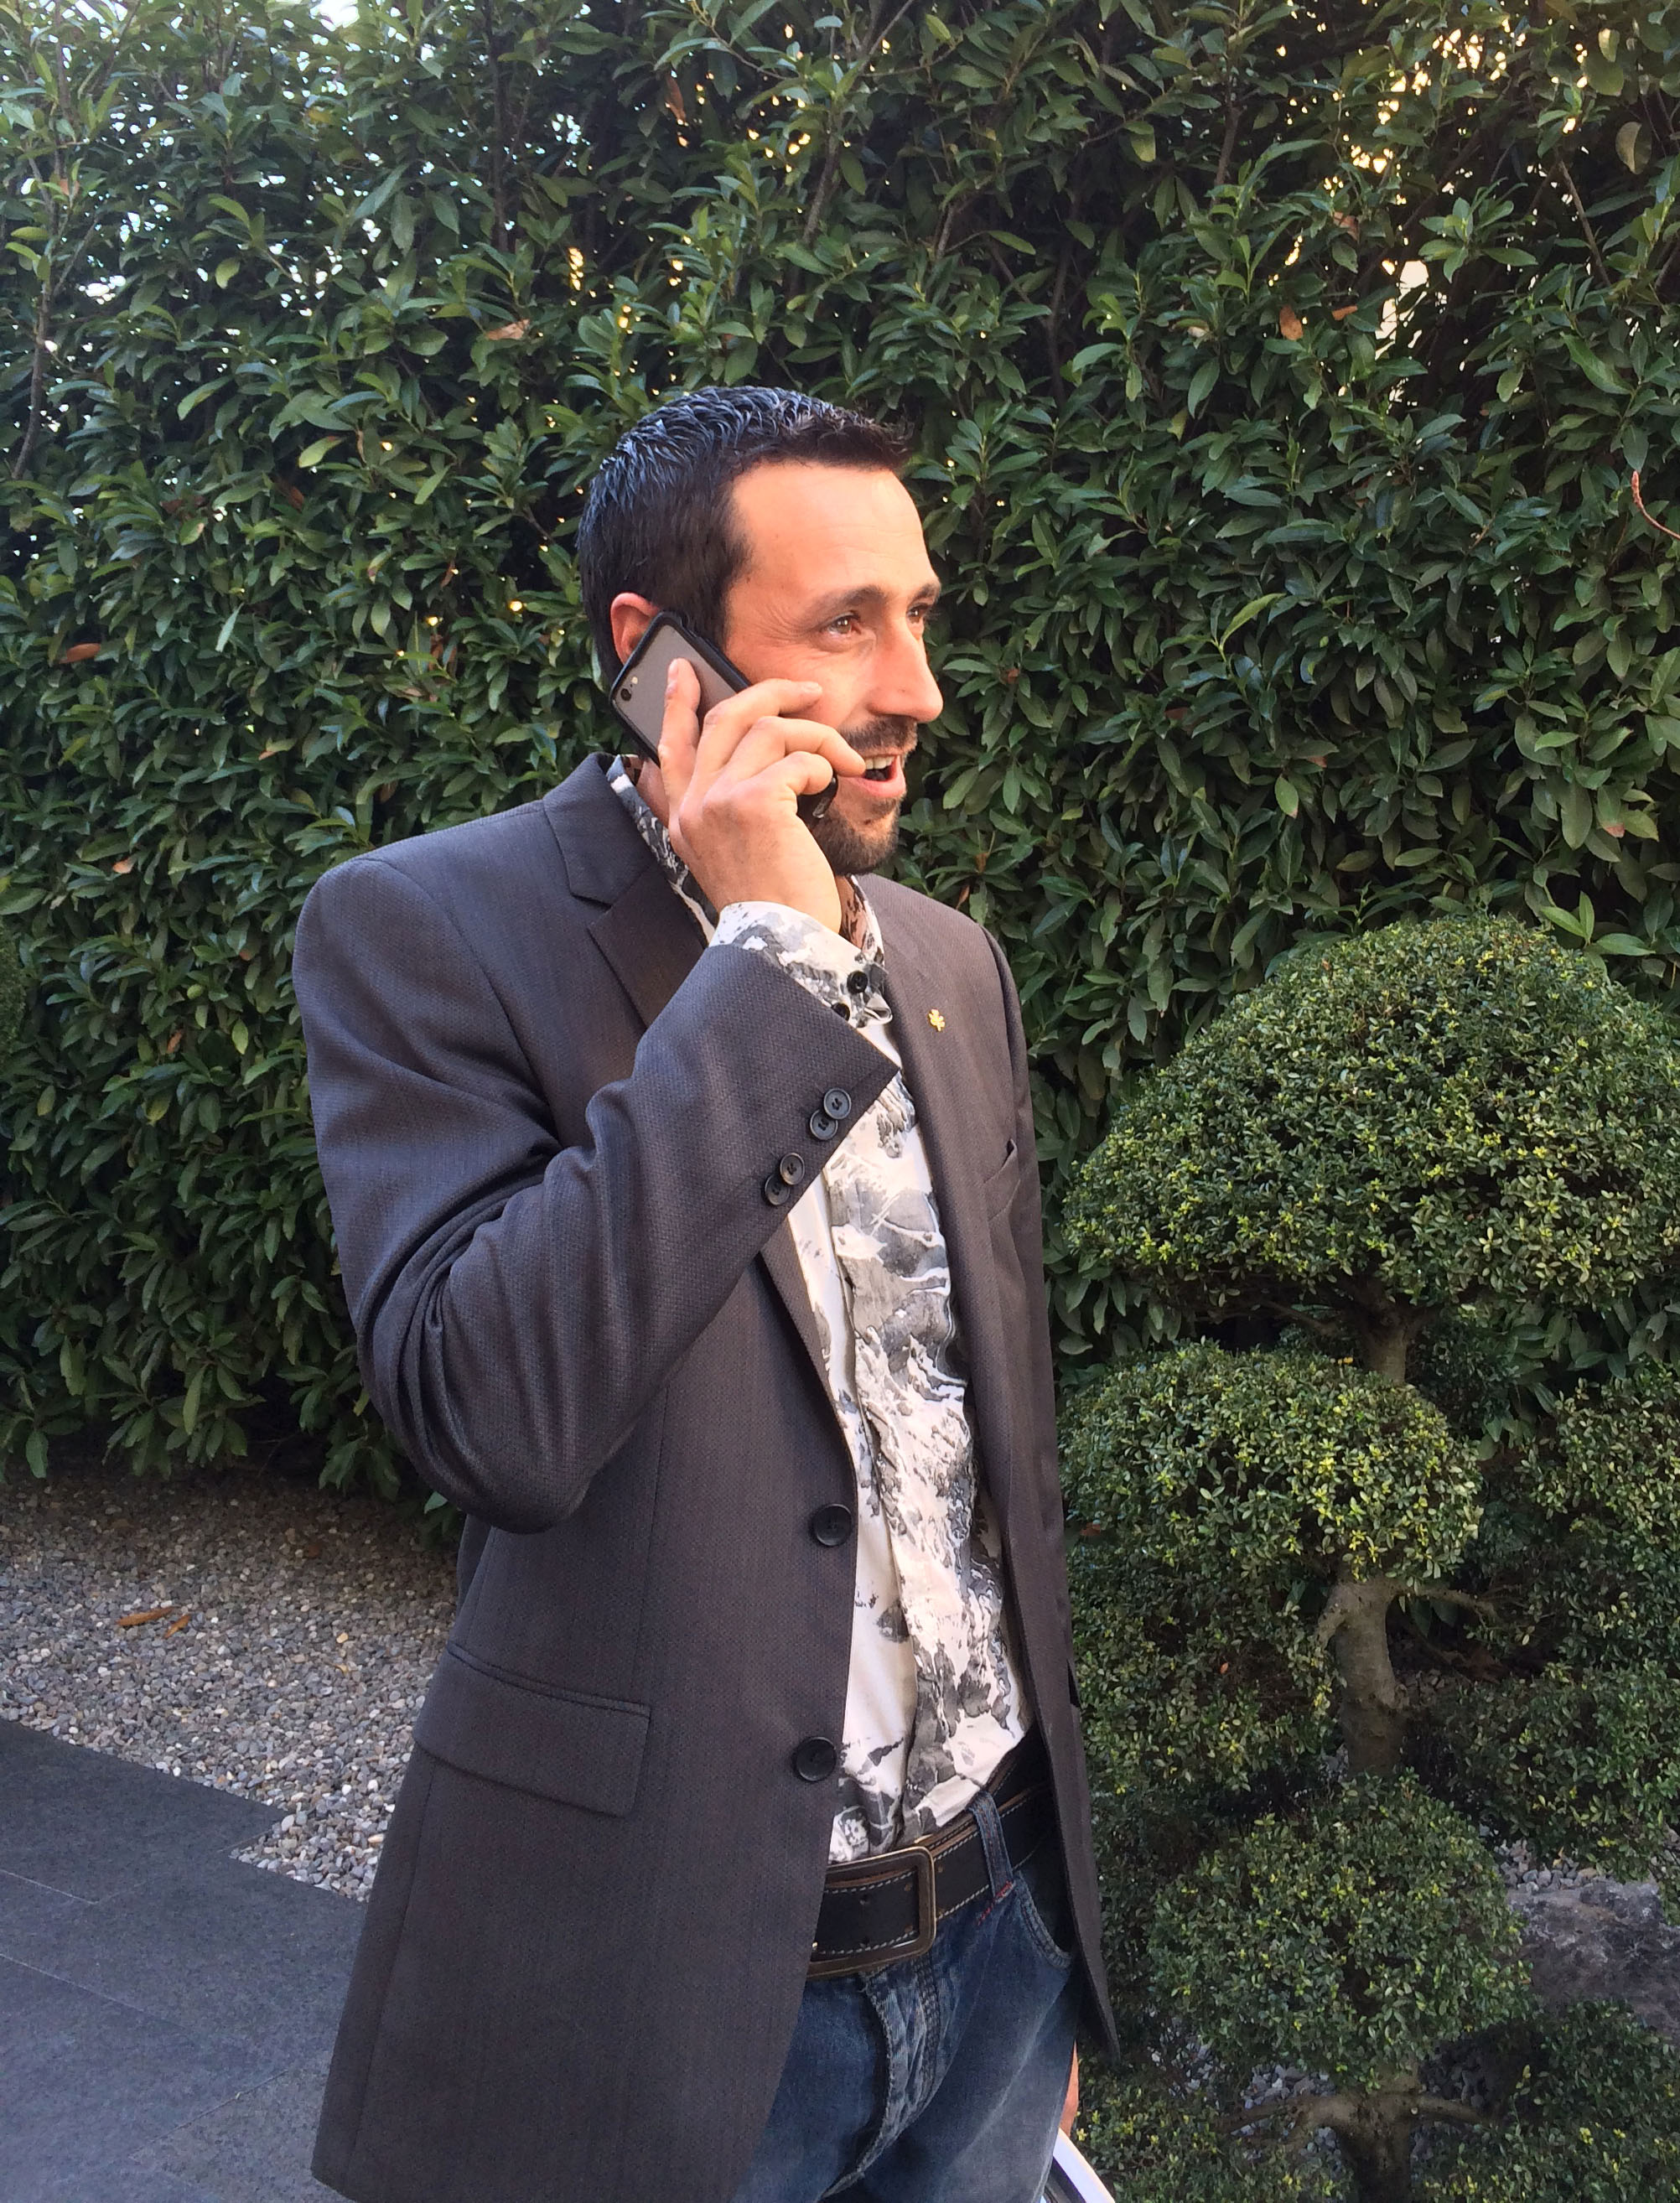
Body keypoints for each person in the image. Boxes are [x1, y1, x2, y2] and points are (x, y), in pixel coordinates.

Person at [293, 385, 1117, 2203]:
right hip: (669, 1984)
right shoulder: (426, 931)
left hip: (994, 1945)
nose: (919, 690)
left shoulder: (954, 962)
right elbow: (494, 1414)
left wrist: (1049, 1942)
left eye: (921, 616)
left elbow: (987, 1462)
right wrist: (767, 963)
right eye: (847, 625)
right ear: (656, 656)